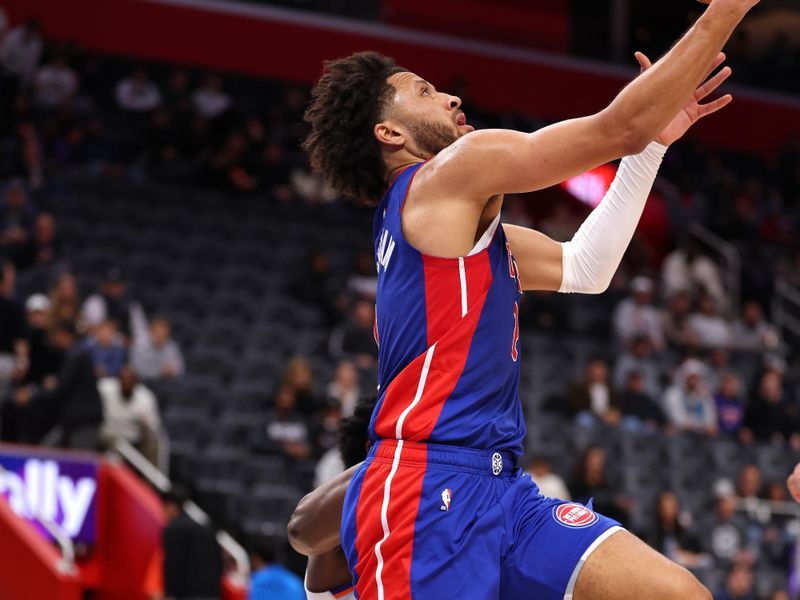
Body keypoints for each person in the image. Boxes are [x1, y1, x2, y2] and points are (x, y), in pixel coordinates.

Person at [299, 1, 753, 595]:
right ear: (390, 133)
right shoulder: (445, 174)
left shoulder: (458, 232)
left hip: (506, 490)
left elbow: (586, 268)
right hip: (429, 488)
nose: (450, 99)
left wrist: (648, 151)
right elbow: (614, 127)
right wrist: (726, 12)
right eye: (426, 91)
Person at [13, 321, 103, 449]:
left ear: (63, 335)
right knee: (46, 452)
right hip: (70, 420)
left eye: (55, 335)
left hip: (84, 420)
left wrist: (31, 395)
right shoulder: (74, 354)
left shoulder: (76, 355)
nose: (53, 339)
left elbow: (61, 389)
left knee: (80, 462)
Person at [161, 486, 222, 600]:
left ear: (171, 505)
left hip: (187, 594)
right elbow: (219, 562)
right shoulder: (207, 529)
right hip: (212, 594)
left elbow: (172, 562)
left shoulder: (174, 529)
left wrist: (170, 593)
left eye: (164, 507)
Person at [98, 365, 161, 466]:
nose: (126, 383)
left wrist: (146, 426)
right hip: (109, 437)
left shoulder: (146, 398)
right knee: (117, 445)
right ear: (118, 380)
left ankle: (149, 480)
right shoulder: (104, 389)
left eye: (130, 381)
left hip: (134, 439)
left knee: (153, 444)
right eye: (124, 380)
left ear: (136, 383)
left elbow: (154, 429)